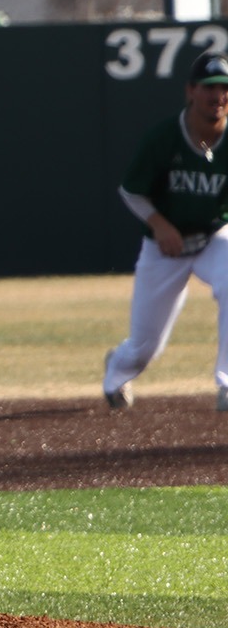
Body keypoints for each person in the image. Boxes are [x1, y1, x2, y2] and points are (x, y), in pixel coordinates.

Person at [103, 50, 228, 412]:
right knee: (145, 346)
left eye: (223, 88)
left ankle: (226, 382)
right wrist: (161, 226)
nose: (217, 95)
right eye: (209, 87)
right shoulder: (165, 137)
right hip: (165, 247)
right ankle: (117, 371)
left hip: (212, 239)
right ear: (191, 90)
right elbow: (131, 189)